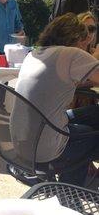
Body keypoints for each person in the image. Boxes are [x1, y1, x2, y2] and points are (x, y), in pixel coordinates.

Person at [14, 13, 99, 186]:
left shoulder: (34, 54)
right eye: (83, 41)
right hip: (45, 149)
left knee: (95, 114)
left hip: (21, 144)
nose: (85, 46)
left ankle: (74, 178)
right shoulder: (71, 53)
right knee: (92, 138)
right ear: (75, 38)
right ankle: (69, 195)